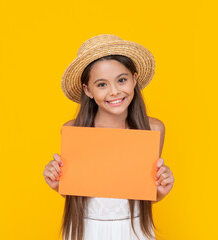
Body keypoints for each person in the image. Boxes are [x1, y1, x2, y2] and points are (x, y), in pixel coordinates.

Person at [43, 34, 175, 240]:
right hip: (86, 230)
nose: (114, 92)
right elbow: (84, 192)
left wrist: (161, 191)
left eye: (121, 80)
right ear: (88, 90)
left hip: (133, 231)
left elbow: (141, 193)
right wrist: (57, 183)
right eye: (102, 85)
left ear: (135, 79)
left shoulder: (153, 129)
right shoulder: (73, 130)